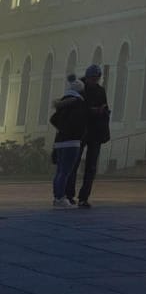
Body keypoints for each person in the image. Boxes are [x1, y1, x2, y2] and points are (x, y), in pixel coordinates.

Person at [49, 79, 87, 207]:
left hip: (60, 141)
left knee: (60, 171)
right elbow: (82, 122)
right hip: (72, 142)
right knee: (66, 172)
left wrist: (62, 128)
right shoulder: (79, 103)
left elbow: (53, 119)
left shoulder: (63, 104)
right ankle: (61, 198)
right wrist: (78, 134)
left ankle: (57, 197)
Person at [77, 64, 111, 208]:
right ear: (87, 77)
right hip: (81, 130)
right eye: (93, 78)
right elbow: (77, 108)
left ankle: (84, 197)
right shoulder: (80, 89)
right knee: (74, 162)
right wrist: (92, 111)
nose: (95, 81)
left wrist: (103, 111)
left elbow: (105, 107)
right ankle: (68, 194)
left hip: (95, 132)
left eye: (97, 78)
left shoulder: (100, 91)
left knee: (91, 166)